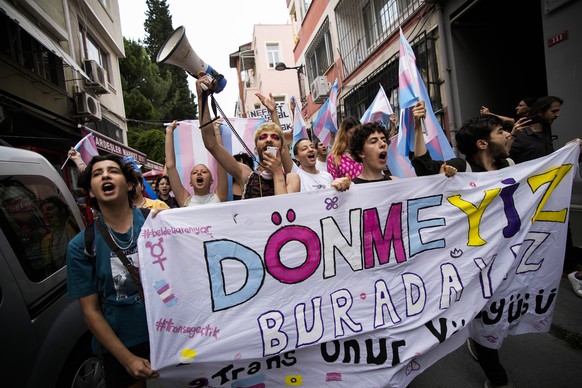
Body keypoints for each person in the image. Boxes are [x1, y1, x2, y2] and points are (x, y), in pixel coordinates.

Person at [66, 154, 159, 387]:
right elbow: (91, 312)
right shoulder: (81, 246)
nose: (105, 175)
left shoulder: (158, 224)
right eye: (97, 174)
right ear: (90, 192)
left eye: (113, 171)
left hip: (170, 334)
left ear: (129, 185)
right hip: (123, 344)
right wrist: (127, 360)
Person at [508, 96, 582, 294]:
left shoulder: (546, 134)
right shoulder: (521, 137)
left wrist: (570, 151)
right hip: (530, 199)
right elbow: (506, 164)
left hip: (550, 196)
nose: (557, 115)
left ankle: (570, 270)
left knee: (563, 228)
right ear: (541, 112)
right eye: (554, 111)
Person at [198, 74, 290, 199]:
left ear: (282, 149)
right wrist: (201, 97)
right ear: (256, 150)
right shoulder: (245, 175)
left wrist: (277, 172)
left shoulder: (292, 179)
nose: (269, 139)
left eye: (274, 137)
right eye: (263, 137)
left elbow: (286, 211)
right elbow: (211, 144)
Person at [411, 101, 529, 175]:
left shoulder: (509, 165)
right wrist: (418, 126)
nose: (508, 135)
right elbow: (425, 168)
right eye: (500, 132)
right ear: (482, 144)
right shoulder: (461, 169)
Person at [165, 119, 228, 206]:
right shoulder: (185, 200)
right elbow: (170, 167)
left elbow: (221, 161)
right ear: (190, 182)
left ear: (211, 180)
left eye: (204, 172)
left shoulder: (219, 196)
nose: (199, 173)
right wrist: (169, 132)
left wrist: (216, 130)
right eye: (194, 172)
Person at [286, 138, 351, 192]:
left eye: (312, 147)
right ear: (297, 157)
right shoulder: (297, 174)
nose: (310, 149)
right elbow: (283, 148)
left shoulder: (327, 176)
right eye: (304, 149)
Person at [41, 196, 80, 272]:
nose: (45, 213)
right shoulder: (45, 241)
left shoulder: (72, 224)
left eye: (50, 209)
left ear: (62, 210)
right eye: (43, 211)